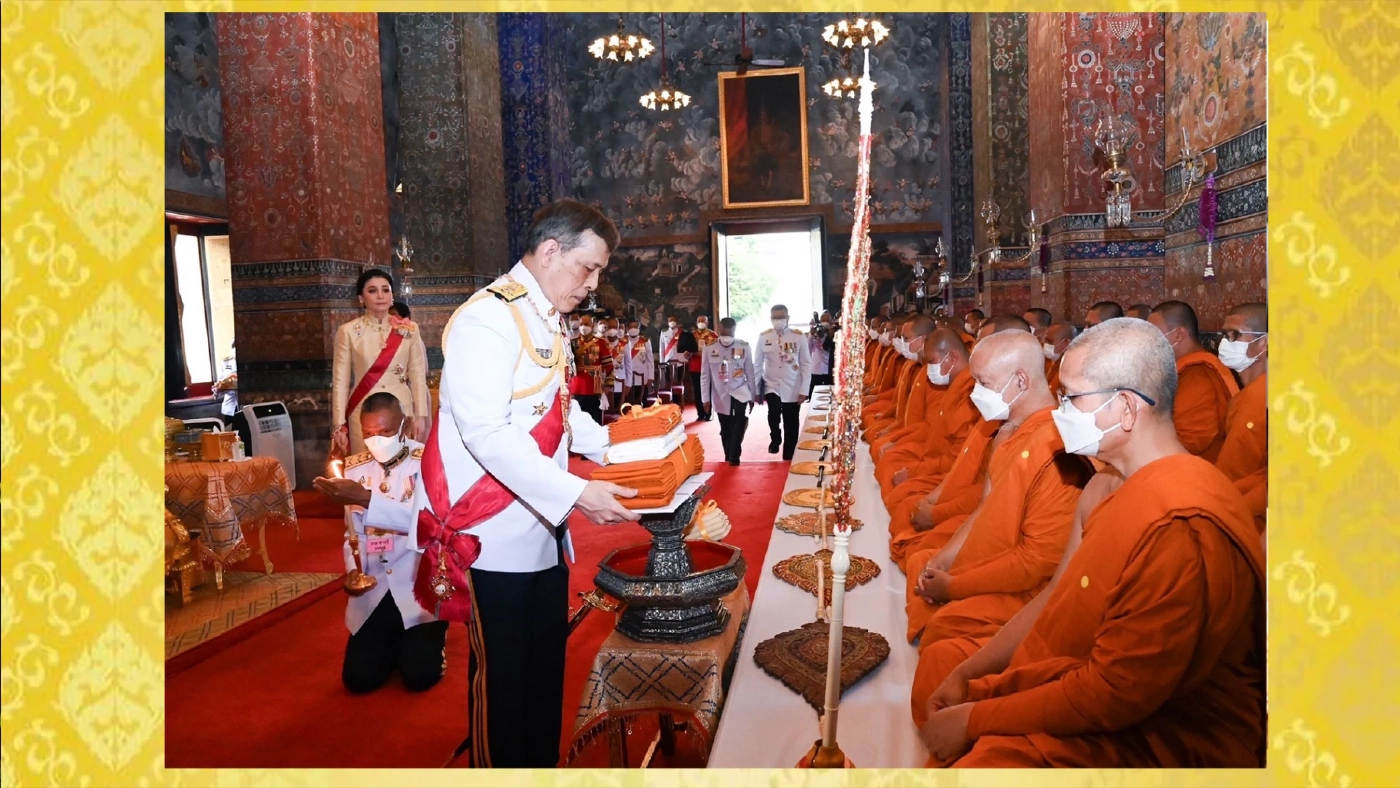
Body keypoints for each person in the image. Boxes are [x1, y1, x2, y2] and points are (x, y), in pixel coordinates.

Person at [917, 318, 1264, 768]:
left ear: (1125, 408)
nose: (1059, 412)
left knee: (988, 760)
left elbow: (1115, 696)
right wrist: (971, 672)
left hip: (1168, 730)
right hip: (1081, 674)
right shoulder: (1102, 488)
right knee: (945, 670)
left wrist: (977, 718)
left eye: (1071, 398)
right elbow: (1055, 597)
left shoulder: (1182, 522)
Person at [422, 198, 641, 768]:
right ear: (550, 251)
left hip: (541, 529)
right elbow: (487, 433)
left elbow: (557, 412)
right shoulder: (486, 318)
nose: (592, 285)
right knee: (504, 689)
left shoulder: (541, 314)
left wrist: (617, 445)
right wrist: (576, 492)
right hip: (493, 532)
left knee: (544, 675)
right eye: (587, 268)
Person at [905, 331, 1091, 645]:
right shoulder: (1005, 433)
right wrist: (944, 562)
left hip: (1027, 589)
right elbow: (985, 508)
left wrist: (954, 586)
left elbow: (1036, 563)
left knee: (944, 630)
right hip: (987, 557)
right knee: (921, 562)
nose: (975, 393)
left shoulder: (1063, 453)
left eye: (983, 384)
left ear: (1020, 381)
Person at [312, 392, 447, 694]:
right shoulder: (355, 468)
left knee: (419, 677)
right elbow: (352, 534)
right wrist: (352, 570)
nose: (376, 441)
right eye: (368, 434)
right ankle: (393, 640)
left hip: (417, 584)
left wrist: (364, 498)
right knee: (359, 680)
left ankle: (431, 635)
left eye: (385, 432)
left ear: (406, 426)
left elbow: (425, 524)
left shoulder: (427, 462)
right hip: (374, 587)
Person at [332, 269, 431, 456]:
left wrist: (421, 416)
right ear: (361, 298)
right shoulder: (348, 332)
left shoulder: (409, 329)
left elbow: (418, 375)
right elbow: (340, 381)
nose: (380, 296)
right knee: (365, 472)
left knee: (403, 470)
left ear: (392, 295)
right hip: (364, 413)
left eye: (385, 290)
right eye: (372, 291)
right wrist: (339, 424)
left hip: (401, 410)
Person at [1147, 301, 1239, 462]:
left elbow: (1191, 439)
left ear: (1179, 335)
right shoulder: (1178, 369)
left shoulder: (1199, 373)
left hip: (1190, 469)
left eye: (1153, 335)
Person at [1213, 303, 1268, 535]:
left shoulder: (1263, 394)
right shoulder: (1250, 392)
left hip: (1251, 516)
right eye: (1224, 335)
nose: (1225, 342)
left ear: (1263, 343)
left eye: (1235, 334)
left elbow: (1239, 470)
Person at [756, 304, 812, 460]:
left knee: (791, 421)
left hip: (793, 384)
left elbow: (806, 364)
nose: (778, 321)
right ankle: (775, 437)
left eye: (781, 317)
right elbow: (757, 364)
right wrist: (755, 388)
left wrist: (804, 389)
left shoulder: (798, 336)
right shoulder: (764, 337)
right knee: (773, 412)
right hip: (771, 384)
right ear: (770, 319)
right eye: (775, 318)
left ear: (788, 318)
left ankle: (789, 455)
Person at [700, 318, 758, 466]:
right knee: (725, 428)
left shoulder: (743, 346)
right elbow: (705, 376)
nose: (726, 336)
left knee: (738, 422)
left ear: (734, 329)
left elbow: (750, 372)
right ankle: (728, 453)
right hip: (720, 394)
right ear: (719, 329)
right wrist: (705, 399)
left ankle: (734, 456)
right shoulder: (709, 347)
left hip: (740, 391)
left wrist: (752, 395)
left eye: (729, 332)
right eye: (724, 332)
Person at [570, 314, 614, 424]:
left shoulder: (601, 343)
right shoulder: (573, 343)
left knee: (595, 421)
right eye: (581, 324)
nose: (583, 327)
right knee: (578, 422)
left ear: (592, 325)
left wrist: (608, 385)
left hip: (595, 387)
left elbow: (609, 366)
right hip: (577, 387)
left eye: (586, 324)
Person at [688, 315, 717, 422]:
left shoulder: (713, 335)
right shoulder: (692, 335)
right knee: (697, 390)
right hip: (695, 366)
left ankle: (708, 413)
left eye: (703, 321)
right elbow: (687, 350)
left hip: (709, 367)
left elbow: (716, 351)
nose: (701, 322)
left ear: (707, 323)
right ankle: (700, 413)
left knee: (708, 390)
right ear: (696, 323)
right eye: (699, 321)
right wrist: (687, 354)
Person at [621, 319, 654, 407]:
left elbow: (650, 360)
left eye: (635, 327)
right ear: (627, 329)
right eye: (631, 327)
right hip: (627, 378)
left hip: (642, 377)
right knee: (627, 403)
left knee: (642, 402)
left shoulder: (645, 341)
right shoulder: (622, 341)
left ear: (639, 328)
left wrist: (651, 376)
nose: (633, 329)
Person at [1041, 322, 1076, 393]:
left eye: (1050, 341)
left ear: (1066, 342)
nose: (1045, 344)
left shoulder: (1071, 370)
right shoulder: (1049, 361)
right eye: (1045, 340)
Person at [212, 338, 238, 427]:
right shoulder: (225, 363)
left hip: (244, 406)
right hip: (229, 406)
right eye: (233, 346)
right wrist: (218, 389)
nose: (235, 348)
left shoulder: (248, 363)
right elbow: (220, 382)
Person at [809, 311, 837, 395]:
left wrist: (830, 335)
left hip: (828, 370)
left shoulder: (834, 333)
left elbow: (827, 348)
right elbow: (808, 348)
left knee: (828, 395)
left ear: (832, 321)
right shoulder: (816, 332)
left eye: (827, 320)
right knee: (814, 396)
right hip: (815, 370)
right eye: (823, 320)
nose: (825, 322)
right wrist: (811, 334)